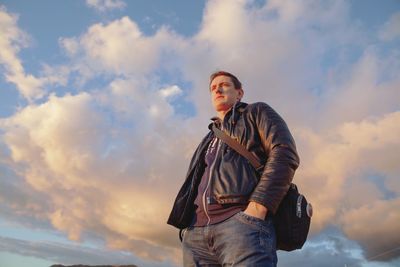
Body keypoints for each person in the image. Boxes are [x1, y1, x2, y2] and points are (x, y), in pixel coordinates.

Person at [167, 71, 299, 266]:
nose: (217, 89)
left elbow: (284, 152)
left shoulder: (256, 112)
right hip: (195, 236)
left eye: (224, 85)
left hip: (242, 226)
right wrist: (186, 226)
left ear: (239, 93)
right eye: (213, 88)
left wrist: (257, 208)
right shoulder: (209, 137)